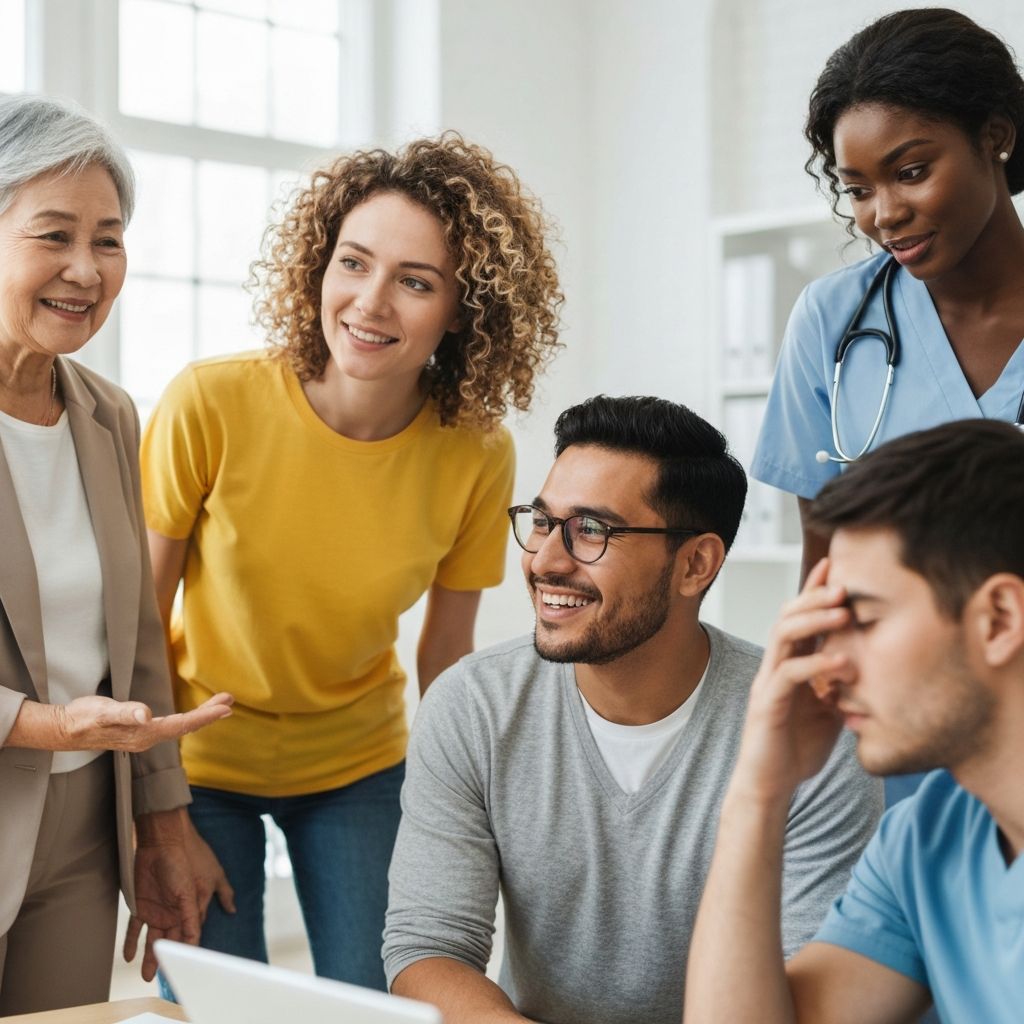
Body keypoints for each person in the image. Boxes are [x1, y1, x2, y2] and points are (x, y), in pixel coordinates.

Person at [141, 134, 563, 992]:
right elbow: (139, 624)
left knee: (379, 998)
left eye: (416, 281)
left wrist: (464, 811)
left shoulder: (477, 452)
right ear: (318, 268)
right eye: (353, 263)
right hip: (197, 761)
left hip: (359, 768)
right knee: (218, 1003)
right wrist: (155, 812)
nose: (370, 303)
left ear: (463, 310)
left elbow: (445, 656)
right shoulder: (210, 401)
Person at [382, 395, 881, 1024]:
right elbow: (427, 949)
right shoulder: (471, 705)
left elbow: (801, 994)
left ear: (696, 564)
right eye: (542, 520)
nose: (547, 560)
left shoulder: (810, 738)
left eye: (592, 530)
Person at [0, 95, 233, 1015]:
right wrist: (46, 726)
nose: (85, 270)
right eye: (53, 235)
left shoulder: (109, 413)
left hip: (84, 828)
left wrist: (161, 818)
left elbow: (137, 637)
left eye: (110, 239)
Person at [685, 419, 1024, 1024]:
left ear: (999, 619)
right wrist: (760, 792)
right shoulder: (927, 839)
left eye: (863, 620)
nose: (827, 667)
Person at [752, 8, 1024, 582]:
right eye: (858, 189)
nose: (885, 214)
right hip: (890, 668)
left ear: (995, 136)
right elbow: (824, 562)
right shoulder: (830, 319)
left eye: (911, 171)